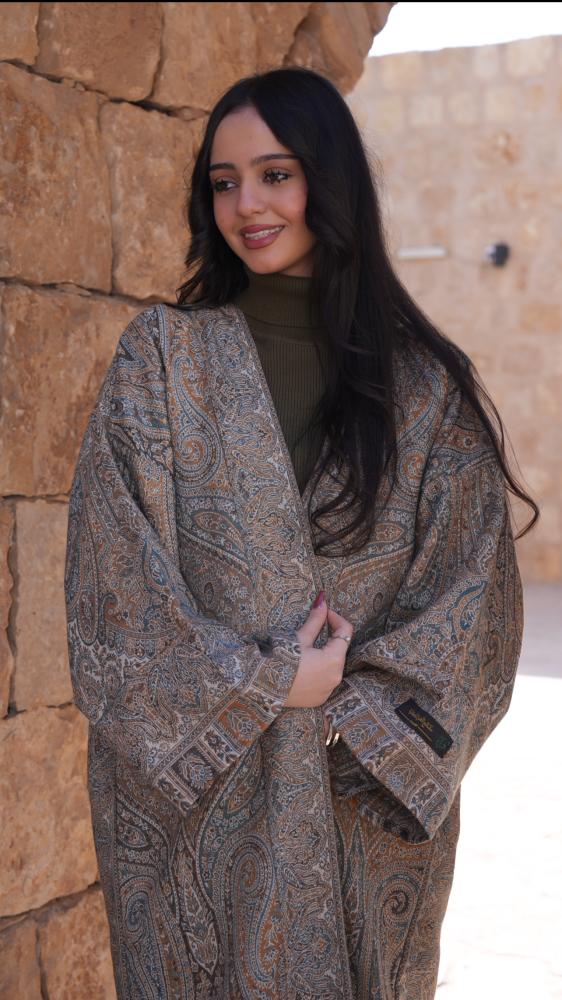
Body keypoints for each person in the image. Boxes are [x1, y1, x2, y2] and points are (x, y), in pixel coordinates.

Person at [64, 67, 537, 1000]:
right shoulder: (162, 361)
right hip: (194, 823)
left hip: (357, 806)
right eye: (224, 181)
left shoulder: (421, 389)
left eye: (276, 174)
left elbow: (474, 595)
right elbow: (108, 580)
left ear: (330, 179)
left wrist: (358, 718)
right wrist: (268, 682)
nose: (248, 204)